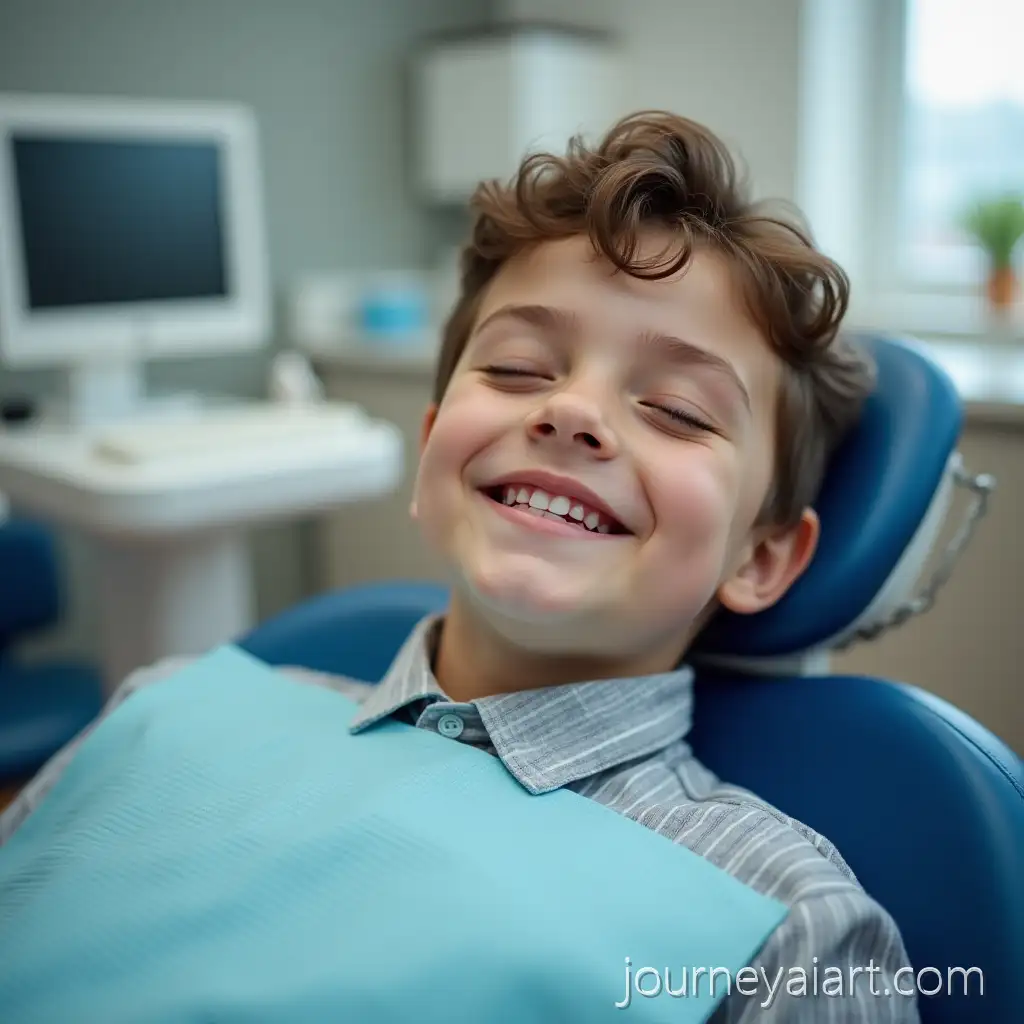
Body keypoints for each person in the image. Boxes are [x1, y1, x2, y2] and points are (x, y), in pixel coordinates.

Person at [0, 111, 918, 1021]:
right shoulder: (160, 708)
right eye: (519, 368)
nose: (570, 413)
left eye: (678, 409)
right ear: (434, 447)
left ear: (761, 558)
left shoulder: (791, 937)